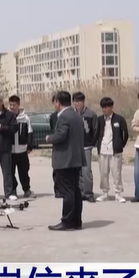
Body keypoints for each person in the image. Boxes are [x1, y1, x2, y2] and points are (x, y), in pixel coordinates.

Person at [45, 91, 84, 231]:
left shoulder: (64, 116)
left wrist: (49, 138)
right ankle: (76, 220)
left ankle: (67, 221)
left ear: (58, 102)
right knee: (75, 191)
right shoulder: (76, 115)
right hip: (76, 159)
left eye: (55, 102)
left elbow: (61, 135)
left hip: (66, 160)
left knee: (67, 192)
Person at [95, 97, 130, 203]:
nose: (104, 110)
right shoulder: (99, 120)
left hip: (115, 150)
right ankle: (105, 193)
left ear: (111, 107)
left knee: (116, 173)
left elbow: (125, 134)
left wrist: (120, 145)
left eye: (106, 107)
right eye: (102, 107)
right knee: (103, 173)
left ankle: (118, 194)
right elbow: (96, 134)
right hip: (103, 150)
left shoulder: (119, 119)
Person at [7, 95, 35, 199]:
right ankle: (13, 190)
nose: (12, 107)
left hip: (22, 150)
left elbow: (30, 132)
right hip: (10, 151)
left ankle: (27, 190)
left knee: (24, 172)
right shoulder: (7, 117)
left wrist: (29, 146)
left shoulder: (25, 118)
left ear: (18, 105)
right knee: (10, 172)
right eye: (10, 105)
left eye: (14, 105)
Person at [73, 92, 98, 203]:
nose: (77, 103)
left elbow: (95, 130)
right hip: (75, 147)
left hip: (87, 146)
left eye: (79, 101)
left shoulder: (91, 114)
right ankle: (80, 192)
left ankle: (88, 193)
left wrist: (93, 142)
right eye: (75, 101)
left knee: (86, 171)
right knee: (77, 171)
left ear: (83, 102)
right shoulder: (72, 114)